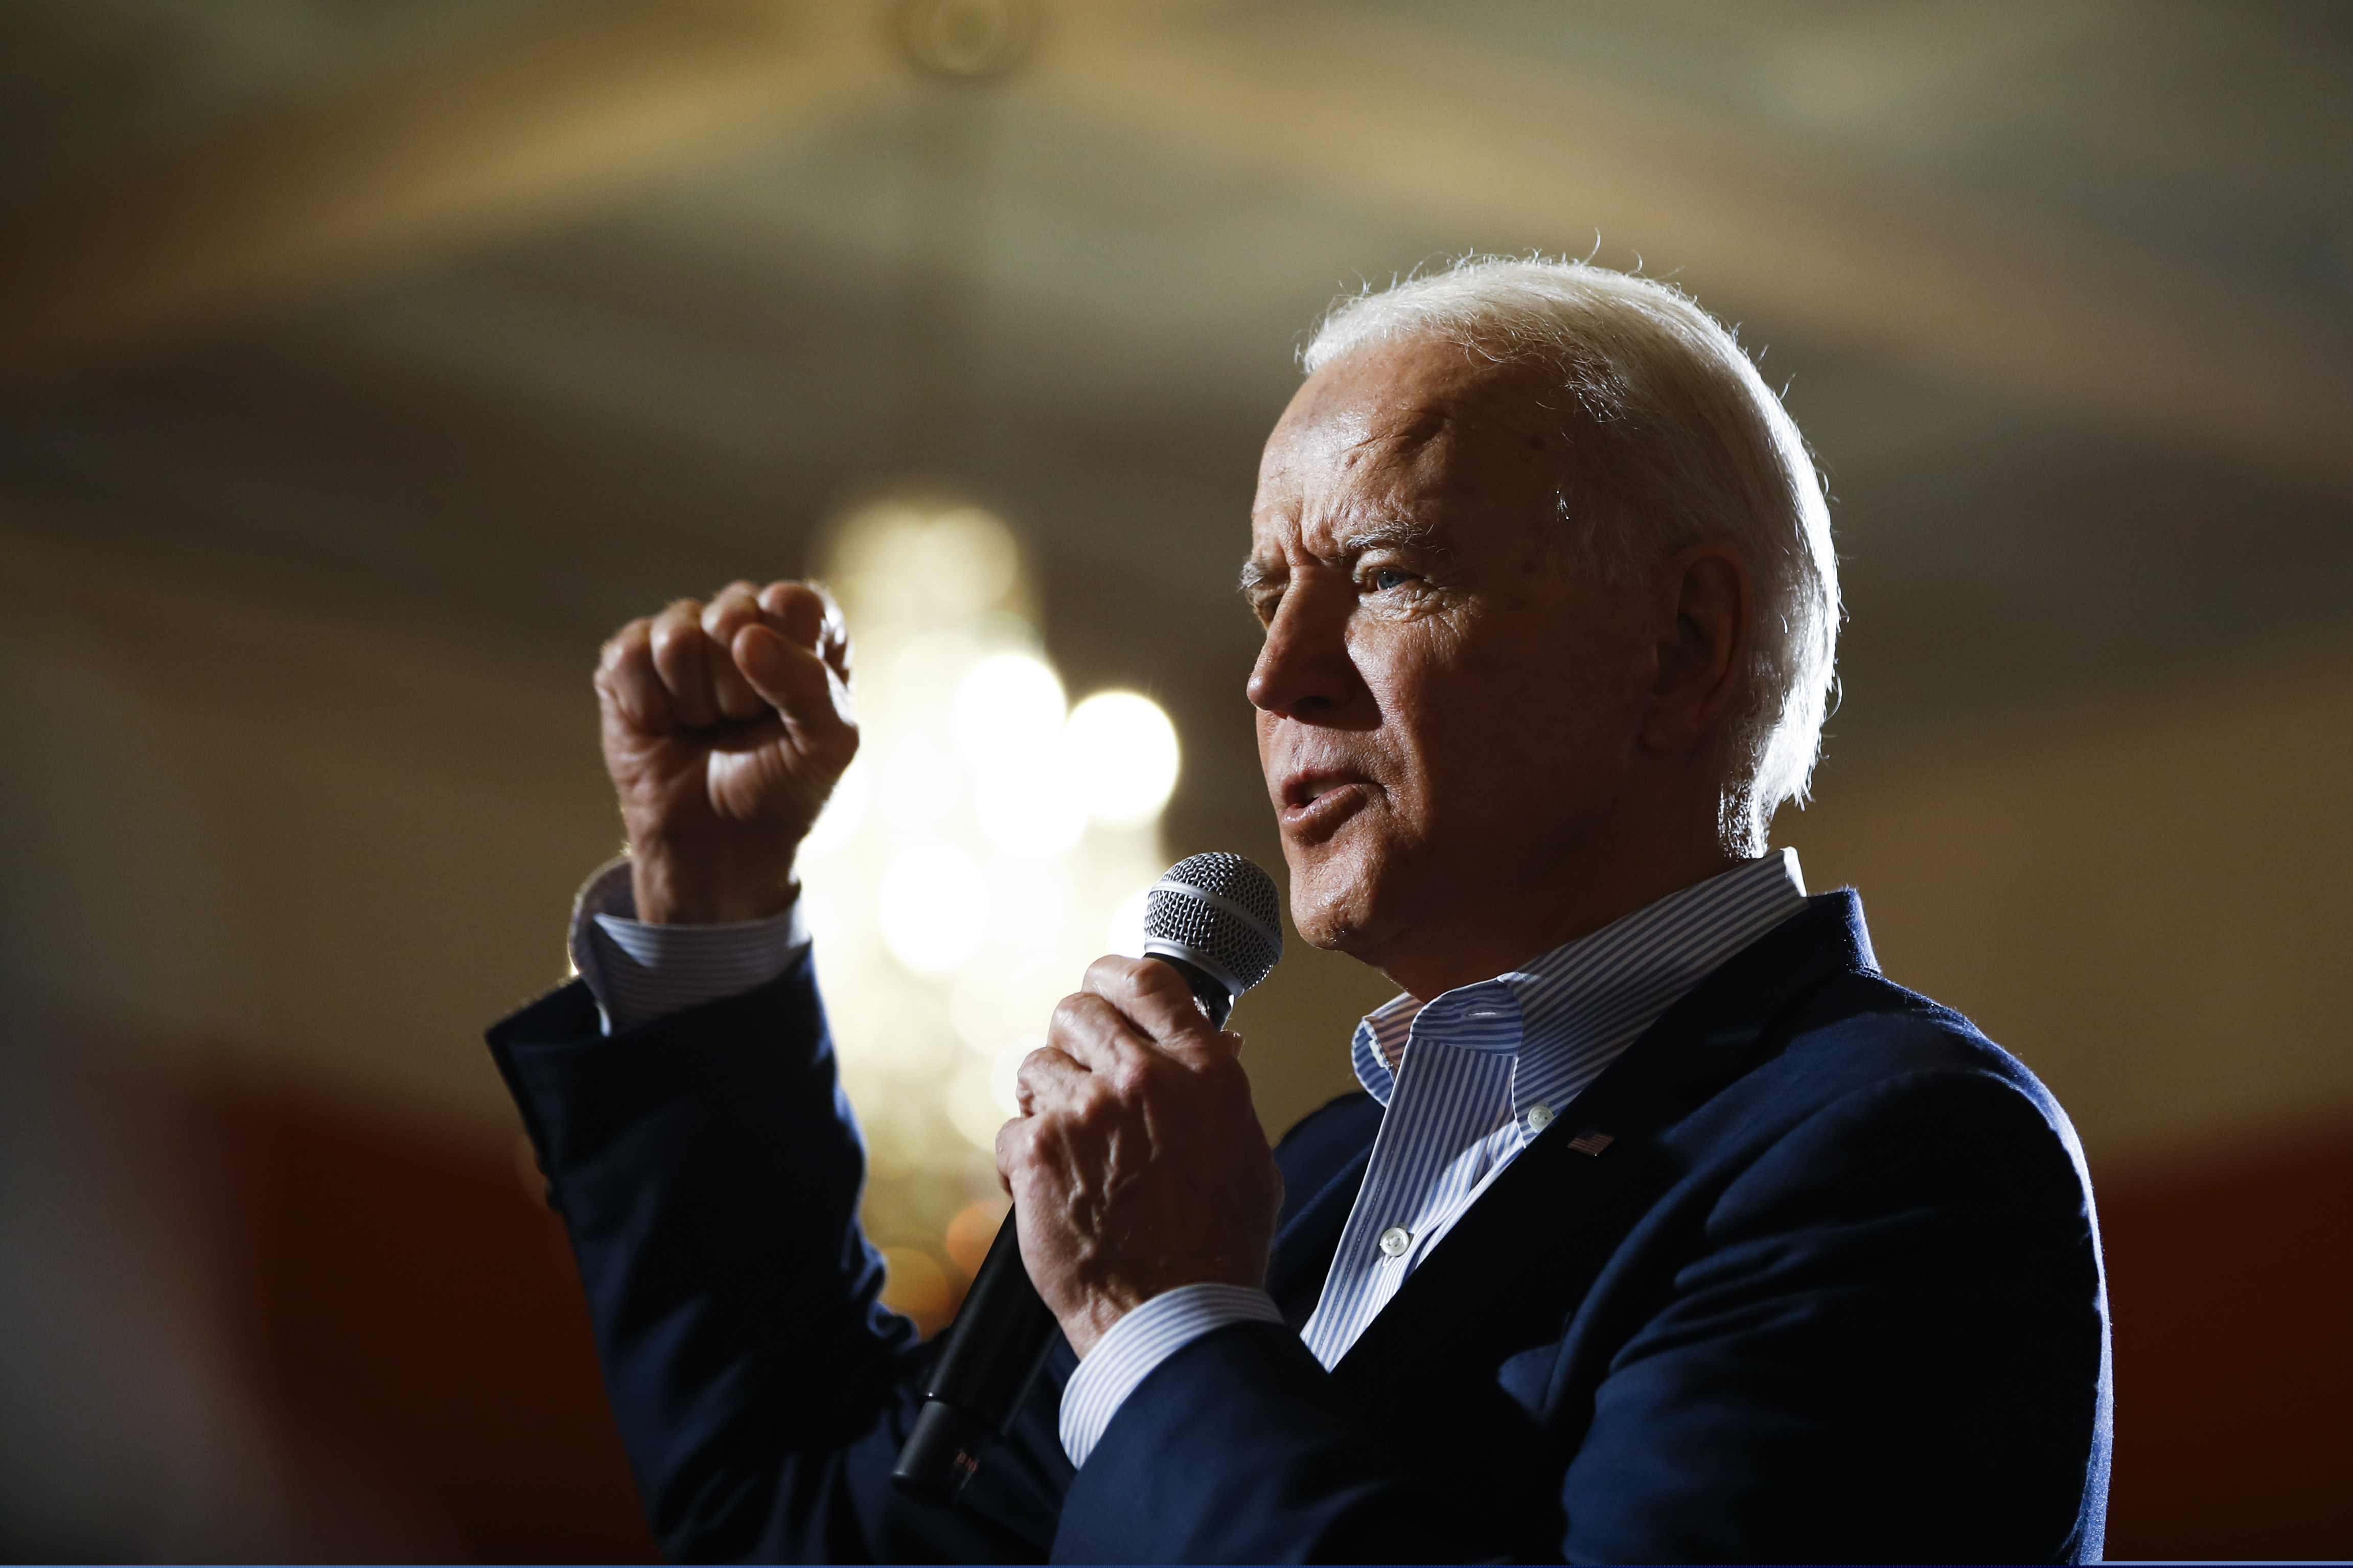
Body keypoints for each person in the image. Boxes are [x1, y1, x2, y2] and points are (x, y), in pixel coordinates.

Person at [488, 257, 2110, 1563]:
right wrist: (704, 913)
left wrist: (1165, 1323)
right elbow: (800, 1532)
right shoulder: (1307, 1186)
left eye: (1388, 571)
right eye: (1273, 591)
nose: (1275, 675)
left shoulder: (1891, 1157)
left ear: (1681, 645)